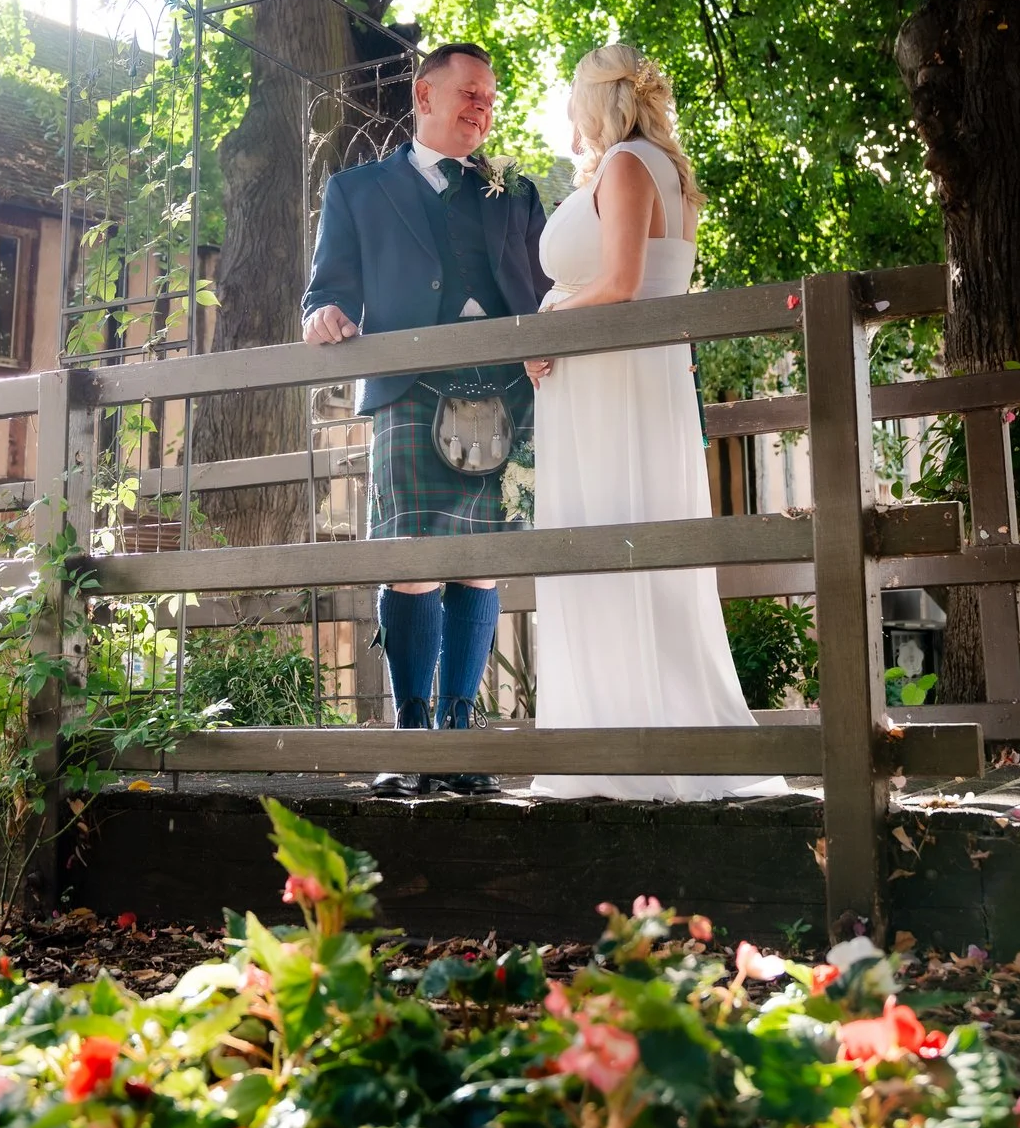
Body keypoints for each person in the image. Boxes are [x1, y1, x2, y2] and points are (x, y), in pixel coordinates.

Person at [522, 44, 789, 801]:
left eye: (572, 101)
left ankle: (634, 747)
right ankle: (616, 731)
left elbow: (622, 283)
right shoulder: (650, 165)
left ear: (596, 100)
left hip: (617, 377)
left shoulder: (629, 164)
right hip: (622, 376)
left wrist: (545, 321)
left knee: (619, 532)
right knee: (616, 536)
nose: (568, 118)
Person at [303, 43, 552, 796]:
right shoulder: (357, 190)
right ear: (424, 94)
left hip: (506, 388)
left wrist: (549, 342)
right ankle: (412, 744)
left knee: (480, 567)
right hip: (413, 387)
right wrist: (322, 315)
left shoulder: (516, 191)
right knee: (409, 562)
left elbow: (546, 290)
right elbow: (325, 290)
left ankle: (460, 740)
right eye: (469, 92)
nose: (482, 106)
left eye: (490, 97)